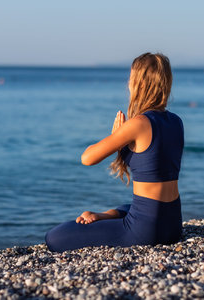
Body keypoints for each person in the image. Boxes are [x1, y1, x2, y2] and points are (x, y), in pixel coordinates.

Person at [45, 52, 184, 252]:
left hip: (146, 231)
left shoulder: (139, 123)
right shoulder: (176, 122)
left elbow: (87, 158)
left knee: (54, 237)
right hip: (173, 224)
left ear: (141, 85)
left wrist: (117, 137)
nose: (128, 84)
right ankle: (106, 215)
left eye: (131, 79)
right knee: (130, 206)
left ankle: (107, 218)